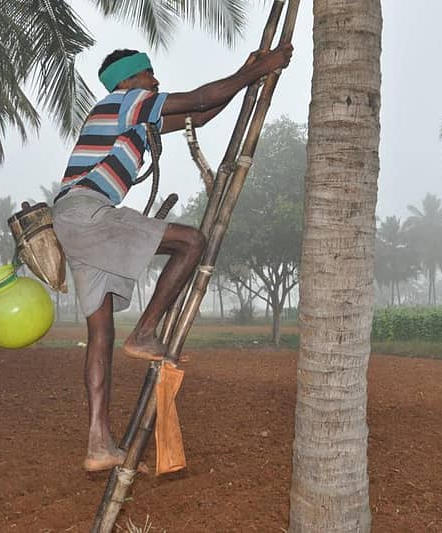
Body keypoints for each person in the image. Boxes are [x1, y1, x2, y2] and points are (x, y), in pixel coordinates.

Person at [51, 43, 293, 471]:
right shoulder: (125, 102)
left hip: (73, 222)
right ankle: (145, 331)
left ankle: (98, 443)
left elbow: (198, 115)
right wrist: (261, 71)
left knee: (100, 336)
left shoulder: (135, 119)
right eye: (148, 74)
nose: (156, 80)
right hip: (88, 212)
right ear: (128, 81)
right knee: (191, 242)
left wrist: (244, 72)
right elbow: (199, 98)